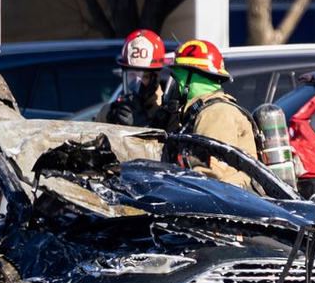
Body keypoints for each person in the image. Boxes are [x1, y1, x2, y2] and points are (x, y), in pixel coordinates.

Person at [169, 38, 258, 189]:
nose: (176, 88)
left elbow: (207, 180)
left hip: (232, 204)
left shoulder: (216, 114)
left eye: (178, 81)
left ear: (190, 81)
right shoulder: (206, 111)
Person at [102, 29, 176, 129]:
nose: (136, 82)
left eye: (144, 76)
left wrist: (143, 127)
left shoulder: (168, 117)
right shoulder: (108, 113)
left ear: (155, 79)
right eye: (131, 74)